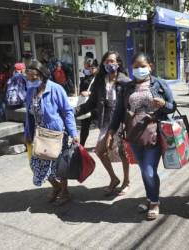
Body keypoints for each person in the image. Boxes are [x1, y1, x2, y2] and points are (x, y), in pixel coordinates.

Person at [106, 52, 176, 220]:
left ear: (150, 66)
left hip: (154, 133)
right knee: (144, 171)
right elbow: (118, 112)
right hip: (134, 134)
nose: (139, 69)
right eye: (136, 67)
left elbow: (172, 106)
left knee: (149, 171)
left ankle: (154, 202)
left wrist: (164, 104)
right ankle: (150, 197)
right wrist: (111, 131)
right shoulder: (126, 87)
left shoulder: (160, 84)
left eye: (143, 66)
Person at [75, 51, 131, 196]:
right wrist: (73, 112)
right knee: (100, 151)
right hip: (105, 123)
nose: (109, 64)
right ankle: (114, 179)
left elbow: (131, 104)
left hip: (121, 123)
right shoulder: (100, 81)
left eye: (112, 61)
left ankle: (126, 181)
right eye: (106, 61)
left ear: (118, 63)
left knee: (123, 152)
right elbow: (91, 103)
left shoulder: (125, 81)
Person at [24, 60, 79, 205]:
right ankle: (57, 187)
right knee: (36, 164)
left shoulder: (56, 89)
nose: (31, 80)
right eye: (29, 77)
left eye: (34, 77)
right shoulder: (30, 91)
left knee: (58, 166)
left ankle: (65, 192)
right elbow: (28, 115)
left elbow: (67, 112)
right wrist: (27, 134)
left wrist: (73, 133)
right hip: (39, 135)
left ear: (42, 75)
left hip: (56, 135)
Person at [79, 59, 98, 146]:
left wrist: (89, 93)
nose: (91, 70)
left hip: (98, 106)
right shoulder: (86, 77)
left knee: (103, 126)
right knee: (84, 126)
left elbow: (102, 91)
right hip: (87, 105)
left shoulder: (101, 79)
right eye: (90, 68)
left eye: (93, 68)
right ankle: (81, 146)